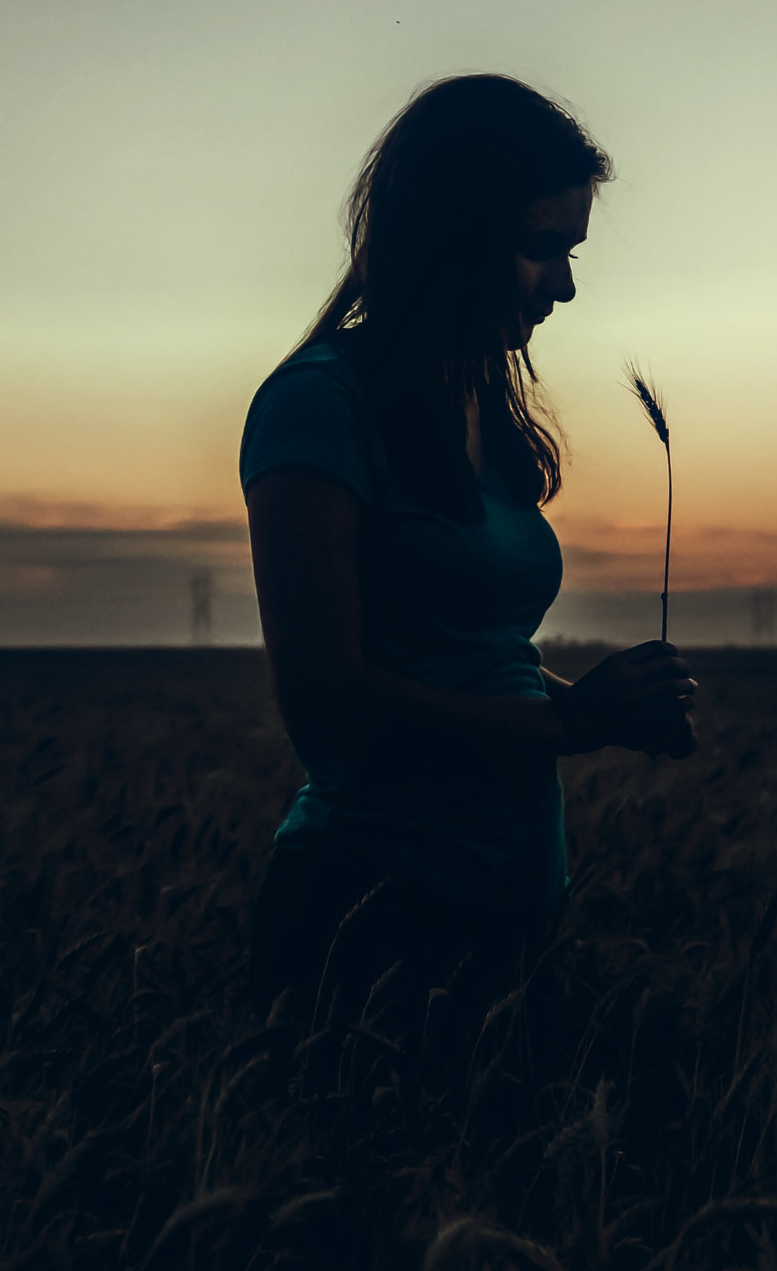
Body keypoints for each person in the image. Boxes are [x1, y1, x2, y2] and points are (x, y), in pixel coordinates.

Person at [239, 75, 694, 1041]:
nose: (565, 286)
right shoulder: (319, 405)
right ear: (452, 236)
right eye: (541, 248)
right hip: (368, 922)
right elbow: (327, 702)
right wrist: (570, 726)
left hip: (503, 925)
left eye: (571, 253)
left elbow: (477, 653)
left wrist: (603, 706)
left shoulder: (480, 402)